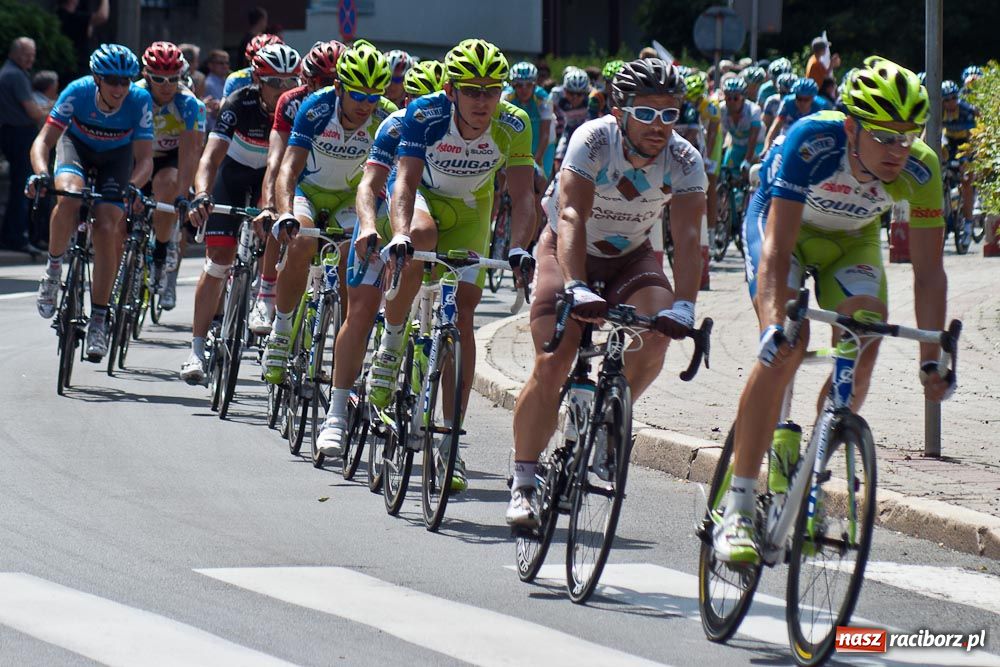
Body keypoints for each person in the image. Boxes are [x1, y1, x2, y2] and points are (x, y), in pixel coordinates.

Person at [714, 57, 951, 564]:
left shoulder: (922, 167)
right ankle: (737, 505)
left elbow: (930, 273)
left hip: (852, 242)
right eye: (884, 136)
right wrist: (773, 324)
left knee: (865, 337)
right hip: (785, 232)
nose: (898, 150)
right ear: (851, 127)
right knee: (787, 349)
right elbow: (776, 254)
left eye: (907, 136)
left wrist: (931, 359)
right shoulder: (812, 140)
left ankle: (812, 467)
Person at [506, 58, 707, 527]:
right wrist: (574, 287)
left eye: (670, 114)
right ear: (620, 112)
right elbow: (572, 215)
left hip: (631, 257)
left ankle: (610, 416)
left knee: (657, 333)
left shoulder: (684, 159)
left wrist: (685, 306)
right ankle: (523, 480)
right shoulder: (594, 138)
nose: (660, 126)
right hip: (567, 247)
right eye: (647, 113)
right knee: (554, 361)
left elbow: (690, 238)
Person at [366, 38, 536, 492]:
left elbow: (523, 196)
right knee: (422, 238)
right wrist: (399, 233)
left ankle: (451, 444)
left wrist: (519, 246)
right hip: (423, 199)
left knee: (462, 316)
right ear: (451, 90)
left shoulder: (515, 123)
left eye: (491, 90)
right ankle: (392, 340)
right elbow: (403, 181)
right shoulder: (425, 115)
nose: (483, 100)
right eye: (472, 90)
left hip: (472, 209)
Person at [313, 58, 448, 456]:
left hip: (431, 228)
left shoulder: (461, 132)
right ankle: (336, 415)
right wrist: (369, 226)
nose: (430, 111)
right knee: (359, 313)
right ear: (407, 100)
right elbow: (368, 186)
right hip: (386, 219)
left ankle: (404, 363)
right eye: (421, 100)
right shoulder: (394, 126)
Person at [263, 41, 397, 385]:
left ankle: (341, 342)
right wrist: (285, 212)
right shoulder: (315, 107)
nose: (367, 105)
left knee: (349, 253)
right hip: (310, 191)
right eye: (358, 96)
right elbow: (288, 170)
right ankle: (281, 330)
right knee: (302, 243)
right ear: (338, 87)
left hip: (350, 200)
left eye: (374, 96)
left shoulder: (385, 115)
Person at [180, 43, 302, 383]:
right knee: (219, 259)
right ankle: (196, 350)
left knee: (279, 225)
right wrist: (202, 193)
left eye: (289, 81)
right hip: (234, 174)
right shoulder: (239, 102)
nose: (283, 90)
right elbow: (210, 157)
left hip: (273, 179)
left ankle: (266, 292)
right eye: (274, 82)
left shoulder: (298, 107)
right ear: (257, 80)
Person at [27, 43, 154, 360]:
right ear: (97, 79)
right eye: (112, 80)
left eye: (126, 81)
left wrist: (133, 186)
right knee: (69, 196)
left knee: (108, 225)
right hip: (77, 148)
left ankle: (99, 317)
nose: (120, 88)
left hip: (116, 157)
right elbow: (44, 140)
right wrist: (42, 173)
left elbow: (145, 160)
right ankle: (54, 270)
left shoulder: (139, 100)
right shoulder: (78, 91)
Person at [248, 39, 346, 337]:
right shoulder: (292, 101)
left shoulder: (356, 103)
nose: (329, 87)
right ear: (307, 79)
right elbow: (276, 161)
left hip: (339, 186)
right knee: (285, 218)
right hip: (300, 179)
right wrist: (269, 205)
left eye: (335, 81)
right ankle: (266, 291)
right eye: (322, 81)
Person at [135, 42, 207, 312]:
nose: (166, 85)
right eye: (158, 79)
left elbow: (191, 153)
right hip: (137, 155)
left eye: (173, 79)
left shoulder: (190, 104)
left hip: (170, 157)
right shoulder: (134, 97)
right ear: (145, 74)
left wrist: (182, 195)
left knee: (168, 187)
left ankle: (162, 249)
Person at [0, 37, 47, 253]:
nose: (32, 58)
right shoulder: (15, 75)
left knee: (21, 185)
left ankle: (13, 234)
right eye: (27, 54)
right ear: (15, 52)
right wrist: (54, 112)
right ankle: (17, 236)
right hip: (19, 135)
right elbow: (33, 112)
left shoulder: (12, 72)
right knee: (24, 186)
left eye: (34, 54)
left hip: (13, 133)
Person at [941, 79, 978, 245]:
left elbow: (973, 136)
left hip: (966, 142)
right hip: (949, 141)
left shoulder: (965, 110)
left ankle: (969, 224)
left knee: (966, 180)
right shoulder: (938, 110)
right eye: (946, 99)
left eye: (954, 98)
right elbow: (929, 131)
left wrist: (969, 159)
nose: (951, 102)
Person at [762, 77, 828, 154]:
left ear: (813, 98)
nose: (802, 103)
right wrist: (766, 148)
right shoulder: (788, 103)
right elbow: (775, 127)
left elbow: (823, 134)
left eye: (806, 99)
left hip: (809, 141)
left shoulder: (821, 106)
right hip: (788, 138)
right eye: (799, 98)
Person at [57, 0, 110, 77]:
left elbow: (89, 30)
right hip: (76, 68)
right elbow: (102, 16)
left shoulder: (60, 14)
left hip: (73, 67)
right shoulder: (71, 17)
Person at [225, 33, 283, 99]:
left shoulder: (290, 79)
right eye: (259, 63)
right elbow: (225, 107)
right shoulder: (236, 79)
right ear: (250, 60)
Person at [203, 49, 230, 131]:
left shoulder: (228, 81)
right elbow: (217, 111)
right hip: (212, 131)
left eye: (227, 63)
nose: (225, 66)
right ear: (210, 65)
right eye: (221, 63)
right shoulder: (207, 84)